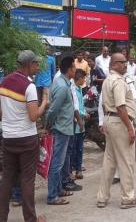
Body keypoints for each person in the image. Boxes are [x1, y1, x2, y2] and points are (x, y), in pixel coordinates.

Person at [0, 50, 48, 222]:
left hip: (8, 138)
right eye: (36, 63)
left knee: (7, 178)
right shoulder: (29, 87)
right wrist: (44, 103)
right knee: (27, 180)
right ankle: (31, 219)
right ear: (28, 65)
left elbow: (1, 112)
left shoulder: (4, 82)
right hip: (26, 139)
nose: (38, 66)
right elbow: (34, 116)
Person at [97, 53, 136, 209]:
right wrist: (130, 128)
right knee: (126, 161)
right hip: (120, 121)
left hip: (110, 120)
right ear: (114, 64)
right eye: (122, 62)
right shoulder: (118, 81)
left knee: (109, 161)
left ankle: (102, 197)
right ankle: (127, 198)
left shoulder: (107, 80)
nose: (125, 64)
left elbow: (105, 104)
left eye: (125, 62)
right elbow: (120, 106)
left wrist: (105, 121)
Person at [46, 56, 78, 205]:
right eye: (74, 67)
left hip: (64, 128)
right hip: (61, 129)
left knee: (60, 162)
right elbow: (53, 110)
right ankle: (52, 196)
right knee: (57, 163)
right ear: (69, 69)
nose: (76, 69)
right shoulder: (62, 86)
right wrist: (48, 125)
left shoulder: (63, 83)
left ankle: (58, 190)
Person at [71, 69, 88, 180]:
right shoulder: (73, 89)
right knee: (75, 147)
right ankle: (74, 169)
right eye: (84, 78)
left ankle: (78, 169)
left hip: (81, 122)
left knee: (80, 147)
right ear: (80, 78)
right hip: (76, 122)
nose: (85, 80)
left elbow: (81, 105)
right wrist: (83, 114)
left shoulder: (79, 89)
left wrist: (84, 112)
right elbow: (75, 108)